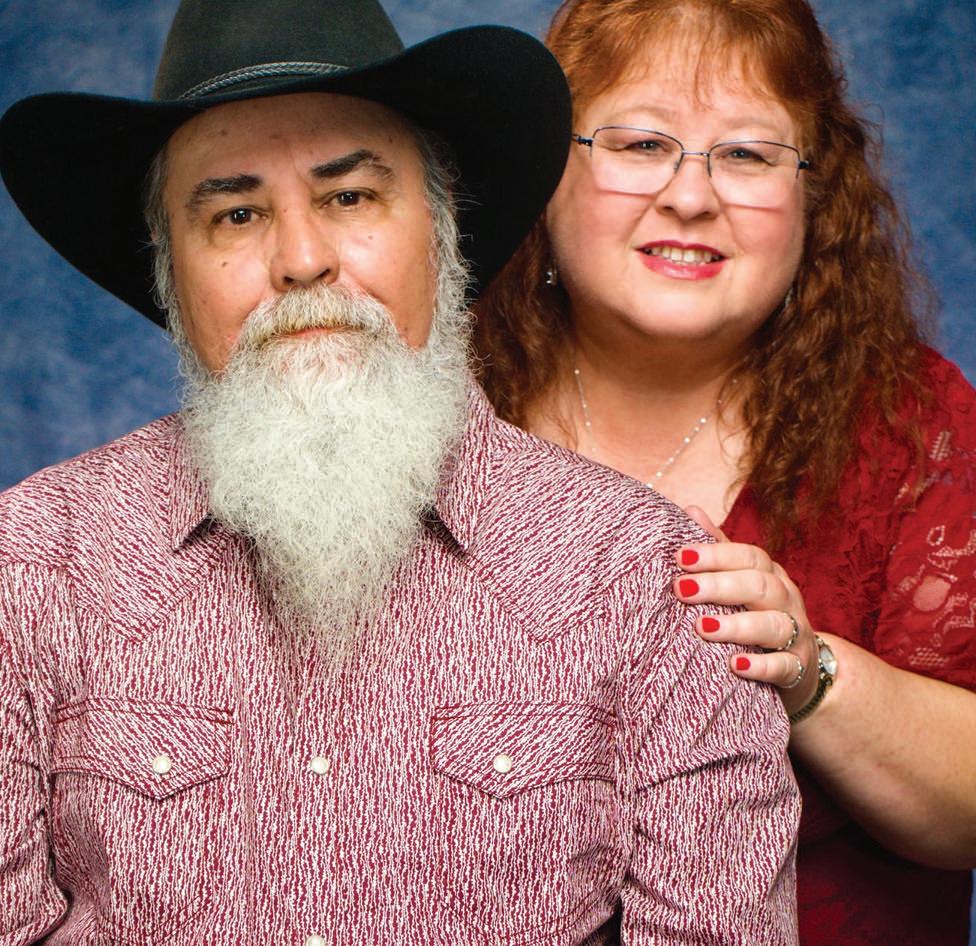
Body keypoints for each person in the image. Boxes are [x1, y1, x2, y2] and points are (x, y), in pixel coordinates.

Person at [0, 0, 801, 941]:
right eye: (236, 213)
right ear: (172, 271)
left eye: (350, 197)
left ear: (443, 228)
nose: (302, 260)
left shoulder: (643, 577)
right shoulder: (32, 565)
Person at [474, 0, 976, 942]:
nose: (692, 196)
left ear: (816, 193)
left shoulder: (915, 428)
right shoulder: (430, 411)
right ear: (546, 168)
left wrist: (810, 673)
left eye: (746, 154)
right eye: (641, 144)